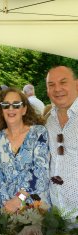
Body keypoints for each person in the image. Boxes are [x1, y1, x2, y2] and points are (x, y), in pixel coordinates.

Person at [0, 87, 50, 213]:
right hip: (9, 210)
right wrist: (8, 206)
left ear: (24, 109)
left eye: (16, 105)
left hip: (37, 208)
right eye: (6, 105)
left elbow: (40, 172)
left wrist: (19, 199)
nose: (11, 109)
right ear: (1, 110)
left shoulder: (38, 133)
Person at [45, 66, 78, 220]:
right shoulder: (48, 121)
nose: (57, 89)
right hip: (56, 217)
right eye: (51, 85)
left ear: (76, 84)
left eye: (63, 82)